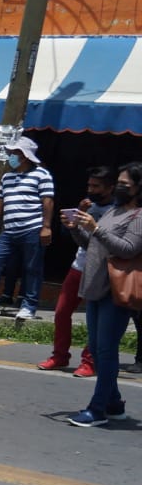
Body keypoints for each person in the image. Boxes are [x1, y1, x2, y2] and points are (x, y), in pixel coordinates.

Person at [65, 162, 142, 427]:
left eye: (125, 184)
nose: (120, 187)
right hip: (96, 287)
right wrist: (77, 228)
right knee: (97, 350)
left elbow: (129, 249)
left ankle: (97, 409)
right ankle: (114, 403)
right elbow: (92, 245)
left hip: (115, 291)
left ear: (138, 188)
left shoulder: (138, 216)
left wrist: (96, 228)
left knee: (106, 349)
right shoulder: (113, 211)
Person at [39, 166, 116, 374]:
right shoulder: (88, 206)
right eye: (89, 185)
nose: (91, 190)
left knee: (95, 320)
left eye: (96, 186)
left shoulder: (117, 212)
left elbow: (100, 244)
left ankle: (89, 361)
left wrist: (90, 226)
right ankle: (60, 355)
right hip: (79, 266)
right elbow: (80, 242)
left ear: (110, 188)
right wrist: (72, 224)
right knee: (62, 312)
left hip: (101, 271)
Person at [0, 135, 54, 320]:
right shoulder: (7, 177)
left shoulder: (42, 175)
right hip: (8, 231)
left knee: (32, 268)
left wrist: (46, 226)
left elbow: (47, 201)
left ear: (24, 155)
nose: (11, 156)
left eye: (14, 153)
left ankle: (29, 306)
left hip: (32, 229)